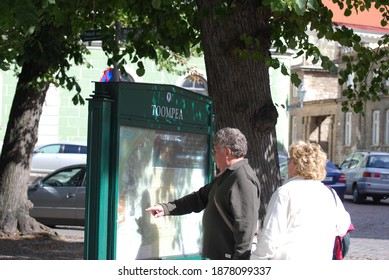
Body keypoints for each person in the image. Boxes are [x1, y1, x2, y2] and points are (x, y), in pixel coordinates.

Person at [146, 127, 261, 260]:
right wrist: (166, 208)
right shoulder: (229, 175)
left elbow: (245, 228)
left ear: (227, 152)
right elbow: (199, 198)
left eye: (215, 151)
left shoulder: (242, 179)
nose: (213, 156)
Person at [250, 141, 351, 260]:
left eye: (289, 161)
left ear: (298, 165)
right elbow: (342, 227)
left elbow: (270, 239)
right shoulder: (329, 193)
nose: (287, 165)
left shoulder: (285, 193)